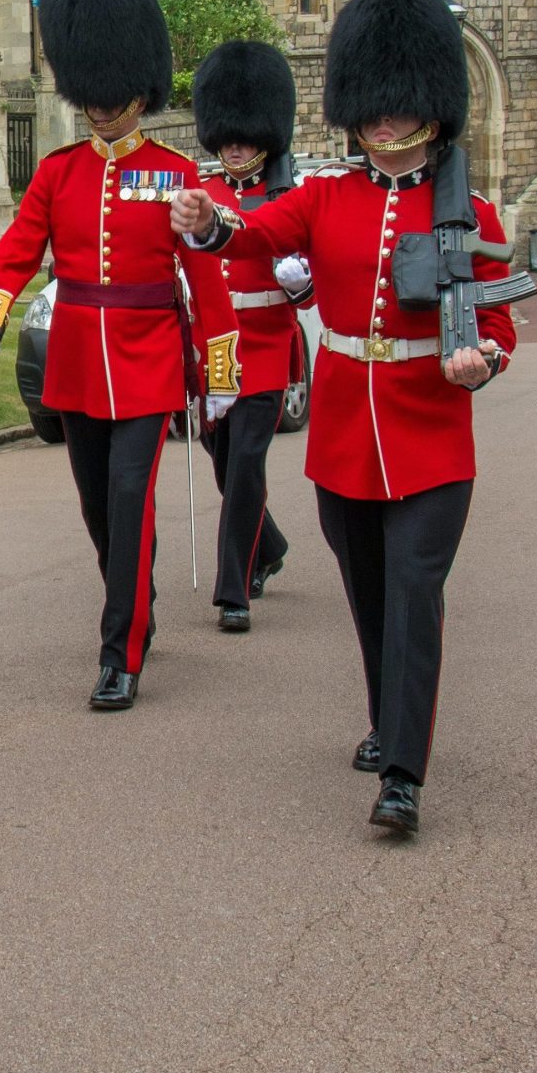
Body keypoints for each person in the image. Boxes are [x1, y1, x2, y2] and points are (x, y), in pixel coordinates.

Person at [170, 0, 516, 838]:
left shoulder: (467, 212)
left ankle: (403, 773)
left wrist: (482, 363)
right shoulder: (326, 198)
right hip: (345, 437)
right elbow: (249, 237)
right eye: (374, 112)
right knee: (369, 598)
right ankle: (385, 721)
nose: (385, 126)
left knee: (413, 592)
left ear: (431, 111)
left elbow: (500, 320)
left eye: (400, 112)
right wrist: (206, 221)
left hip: (434, 439)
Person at [0, 0, 240, 712]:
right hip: (79, 361)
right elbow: (17, 250)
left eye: (109, 97)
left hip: (150, 358)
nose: (98, 109)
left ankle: (120, 651)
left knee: (129, 497)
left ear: (139, 91)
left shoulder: (177, 173)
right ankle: (133, 591)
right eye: (88, 96)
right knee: (99, 509)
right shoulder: (57, 173)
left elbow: (207, 281)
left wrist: (219, 374)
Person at [190, 40, 316, 632]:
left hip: (265, 347)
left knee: (245, 465)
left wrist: (296, 283)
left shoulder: (289, 199)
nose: (234, 146)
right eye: (227, 137)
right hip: (215, 351)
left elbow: (311, 295)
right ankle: (270, 546)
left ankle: (232, 589)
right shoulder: (204, 194)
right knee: (223, 467)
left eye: (244, 137)